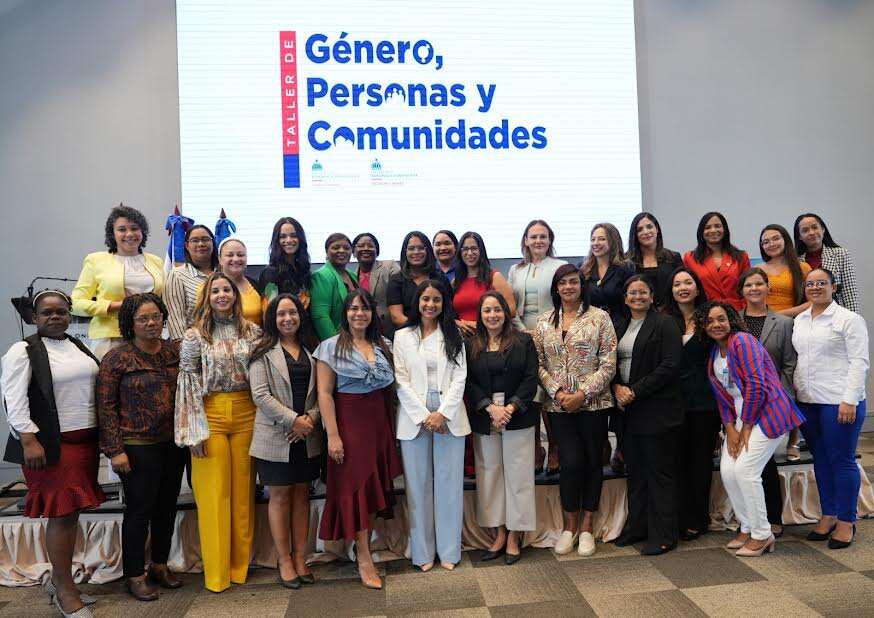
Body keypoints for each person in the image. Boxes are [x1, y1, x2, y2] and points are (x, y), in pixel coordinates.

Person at [1, 291, 104, 617]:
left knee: (70, 515)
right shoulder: (23, 350)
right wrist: (28, 440)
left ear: (69, 314)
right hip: (50, 447)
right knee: (61, 515)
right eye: (47, 312)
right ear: (34, 317)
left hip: (84, 443)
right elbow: (13, 399)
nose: (55, 316)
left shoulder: (76, 345)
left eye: (61, 311)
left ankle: (60, 580)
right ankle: (64, 591)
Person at [175, 272, 262, 592]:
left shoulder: (252, 332)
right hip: (209, 415)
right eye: (216, 291)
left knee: (243, 496)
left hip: (247, 413)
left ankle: (239, 568)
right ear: (207, 298)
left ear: (236, 296)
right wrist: (192, 431)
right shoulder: (194, 336)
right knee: (214, 496)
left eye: (227, 290)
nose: (222, 295)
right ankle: (217, 575)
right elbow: (187, 382)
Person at [96, 294, 185, 601]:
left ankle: (159, 565)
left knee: (167, 507)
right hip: (136, 446)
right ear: (130, 323)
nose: (151, 323)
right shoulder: (117, 358)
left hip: (173, 443)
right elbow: (106, 407)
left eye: (156, 317)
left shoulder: (174, 351)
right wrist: (115, 450)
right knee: (139, 510)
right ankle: (134, 575)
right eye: (143, 319)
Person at [698, 301, 804, 557]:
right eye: (709, 321)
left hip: (767, 413)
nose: (716, 324)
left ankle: (762, 534)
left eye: (721, 319)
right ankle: (746, 526)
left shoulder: (742, 341)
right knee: (728, 471)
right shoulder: (715, 353)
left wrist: (746, 426)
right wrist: (730, 428)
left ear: (731, 320)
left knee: (746, 470)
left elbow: (757, 385)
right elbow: (723, 396)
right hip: (739, 417)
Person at [314, 289, 402, 589]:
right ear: (345, 313)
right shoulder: (329, 347)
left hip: (379, 424)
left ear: (372, 313)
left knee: (375, 489)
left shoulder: (383, 345)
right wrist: (333, 436)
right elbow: (325, 394)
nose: (359, 314)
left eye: (364, 309)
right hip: (349, 425)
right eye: (353, 308)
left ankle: (362, 546)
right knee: (358, 489)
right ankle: (364, 557)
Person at [533, 264, 617, 557]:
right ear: (556, 288)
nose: (568, 287)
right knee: (570, 462)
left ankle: (587, 527)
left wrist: (583, 394)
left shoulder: (600, 318)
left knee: (593, 461)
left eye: (573, 282)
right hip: (559, 407)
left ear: (582, 286)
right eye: (563, 283)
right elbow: (538, 364)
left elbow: (609, 362)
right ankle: (569, 527)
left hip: (594, 403)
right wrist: (557, 393)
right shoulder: (543, 322)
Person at [394, 280, 468, 571]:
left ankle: (449, 551)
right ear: (417, 301)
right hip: (414, 416)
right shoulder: (402, 336)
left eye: (436, 299)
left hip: (449, 414)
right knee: (418, 486)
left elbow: (460, 377)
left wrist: (442, 414)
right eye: (426, 299)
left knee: (449, 485)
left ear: (444, 303)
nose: (430, 304)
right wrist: (424, 415)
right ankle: (422, 553)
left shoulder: (454, 333)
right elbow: (400, 380)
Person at [249, 294, 322, 587]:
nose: (288, 318)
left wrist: (310, 420)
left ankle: (301, 557)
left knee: (302, 495)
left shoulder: (312, 348)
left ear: (300, 316)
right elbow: (260, 395)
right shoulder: (261, 351)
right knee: (279, 496)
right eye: (281, 314)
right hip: (275, 436)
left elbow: (324, 392)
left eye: (292, 313)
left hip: (307, 436)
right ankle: (284, 560)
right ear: (272, 319)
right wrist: (293, 421)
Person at [793, 268, 869, 549]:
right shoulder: (800, 319)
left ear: (834, 287)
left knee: (842, 460)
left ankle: (847, 521)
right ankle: (829, 514)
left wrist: (850, 399)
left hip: (839, 402)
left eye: (821, 283)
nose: (815, 287)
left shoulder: (849, 319)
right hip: (808, 401)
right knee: (821, 459)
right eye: (810, 284)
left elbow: (859, 362)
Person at [612, 276, 683, 555]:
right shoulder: (620, 325)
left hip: (657, 410)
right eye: (632, 292)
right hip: (628, 411)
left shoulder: (665, 323)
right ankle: (638, 527)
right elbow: (609, 362)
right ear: (625, 298)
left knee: (658, 474)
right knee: (636, 473)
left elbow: (670, 365)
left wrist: (635, 390)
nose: (638, 297)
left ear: (652, 296)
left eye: (643, 292)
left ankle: (664, 535)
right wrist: (617, 386)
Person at [466, 292, 539, 564]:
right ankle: (499, 533)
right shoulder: (471, 345)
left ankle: (515, 535)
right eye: (487, 310)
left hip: (517, 416)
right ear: (480, 314)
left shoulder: (523, 341)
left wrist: (510, 408)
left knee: (518, 476)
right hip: (486, 418)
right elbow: (469, 382)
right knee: (490, 476)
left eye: (497, 310)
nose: (492, 315)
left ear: (505, 313)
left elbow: (531, 378)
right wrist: (490, 408)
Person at [739, 268, 798, 537]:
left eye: (758, 284)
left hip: (772, 403)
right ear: (742, 291)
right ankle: (748, 520)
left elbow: (789, 365)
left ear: (768, 287)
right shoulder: (733, 322)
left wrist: (779, 398)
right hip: (742, 401)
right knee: (745, 463)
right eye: (748, 285)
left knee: (766, 462)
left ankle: (773, 518)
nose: (754, 289)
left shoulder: (783, 323)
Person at [664, 267, 720, 541]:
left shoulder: (710, 318)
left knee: (700, 462)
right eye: (677, 284)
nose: (683, 288)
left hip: (704, 401)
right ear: (671, 290)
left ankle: (698, 518)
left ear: (697, 288)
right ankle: (678, 517)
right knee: (676, 460)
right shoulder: (664, 319)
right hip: (672, 400)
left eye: (688, 283)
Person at [507, 220, 568, 473]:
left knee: (549, 392)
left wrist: (543, 331)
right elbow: (510, 306)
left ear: (550, 240)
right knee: (529, 393)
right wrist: (522, 331)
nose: (538, 241)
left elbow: (565, 302)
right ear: (526, 240)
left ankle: (554, 446)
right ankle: (535, 447)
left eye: (543, 236)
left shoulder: (559, 266)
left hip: (552, 334)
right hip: (521, 335)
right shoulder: (515, 269)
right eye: (533, 237)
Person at [72, 204, 164, 358]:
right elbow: (74, 304)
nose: (129, 234)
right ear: (112, 234)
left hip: (150, 337)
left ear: (142, 231)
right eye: (122, 229)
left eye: (134, 228)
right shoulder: (95, 260)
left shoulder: (156, 261)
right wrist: (115, 306)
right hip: (111, 339)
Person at [793, 213, 860, 313]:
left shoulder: (840, 254)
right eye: (805, 230)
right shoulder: (795, 261)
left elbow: (849, 292)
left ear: (823, 229)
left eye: (815, 227)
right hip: (805, 315)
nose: (811, 232)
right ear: (799, 236)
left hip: (835, 314)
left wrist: (852, 318)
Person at [683, 212, 751, 311]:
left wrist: (743, 310)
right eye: (707, 227)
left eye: (717, 226)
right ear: (701, 232)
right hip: (705, 312)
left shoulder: (741, 256)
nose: (713, 230)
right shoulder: (690, 258)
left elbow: (748, 287)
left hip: (736, 312)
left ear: (725, 229)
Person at [453, 231, 516, 336]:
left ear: (481, 251)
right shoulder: (456, 282)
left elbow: (511, 310)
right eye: (465, 249)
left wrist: (482, 324)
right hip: (462, 338)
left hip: (490, 336)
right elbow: (450, 313)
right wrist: (457, 323)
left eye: (474, 248)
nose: (469, 253)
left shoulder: (495, 277)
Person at [387, 231, 451, 329]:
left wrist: (434, 331)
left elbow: (448, 311)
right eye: (411, 248)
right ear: (405, 252)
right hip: (408, 333)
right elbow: (397, 317)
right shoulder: (396, 280)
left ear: (428, 251)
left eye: (421, 248)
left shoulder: (440, 278)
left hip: (440, 332)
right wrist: (424, 330)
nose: (416, 252)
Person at [165, 224, 217, 341]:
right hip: (194, 345)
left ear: (213, 243)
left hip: (226, 344)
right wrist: (183, 348)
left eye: (205, 239)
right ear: (187, 246)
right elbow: (175, 319)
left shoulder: (223, 273)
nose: (201, 244)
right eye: (195, 240)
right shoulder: (177, 275)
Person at [625, 212, 683, 309]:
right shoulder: (626, 262)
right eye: (640, 229)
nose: (646, 232)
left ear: (657, 229)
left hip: (670, 313)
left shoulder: (673, 257)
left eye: (649, 227)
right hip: (638, 313)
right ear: (635, 235)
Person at [310, 233, 359, 340]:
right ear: (327, 252)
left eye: (346, 248)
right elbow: (320, 317)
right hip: (337, 339)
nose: (341, 251)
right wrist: (335, 345)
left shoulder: (353, 275)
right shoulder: (321, 276)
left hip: (356, 337)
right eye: (336, 248)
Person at [352, 232, 400, 338]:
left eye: (370, 246)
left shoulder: (389, 267)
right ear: (354, 252)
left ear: (377, 251)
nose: (366, 248)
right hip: (364, 332)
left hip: (390, 331)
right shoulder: (351, 277)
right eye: (361, 246)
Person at [580, 223, 634, 317]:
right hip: (592, 322)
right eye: (593, 239)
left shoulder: (625, 268)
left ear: (613, 241)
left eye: (601, 239)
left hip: (619, 322)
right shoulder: (583, 269)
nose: (596, 243)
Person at [258, 217, 312, 308]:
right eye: (283, 237)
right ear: (276, 241)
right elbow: (268, 311)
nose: (289, 240)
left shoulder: (303, 270)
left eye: (293, 235)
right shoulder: (270, 273)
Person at [757, 224, 811, 316]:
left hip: (794, 320)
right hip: (762, 321)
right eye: (766, 242)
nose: (771, 244)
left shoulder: (803, 268)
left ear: (786, 240)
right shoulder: (757, 270)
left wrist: (777, 316)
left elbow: (813, 302)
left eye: (776, 239)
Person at [217, 237, 263, 326]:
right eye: (230, 255)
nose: (236, 259)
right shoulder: (208, 288)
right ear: (220, 259)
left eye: (240, 255)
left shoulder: (257, 286)